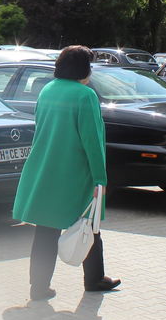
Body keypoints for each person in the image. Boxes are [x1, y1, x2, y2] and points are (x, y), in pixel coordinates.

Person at [12, 45, 120, 300]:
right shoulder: (85, 95)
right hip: (74, 173)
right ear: (83, 68)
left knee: (45, 230)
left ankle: (38, 287)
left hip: (45, 169)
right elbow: (92, 140)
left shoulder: (47, 90)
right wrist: (100, 178)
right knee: (89, 225)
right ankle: (94, 279)